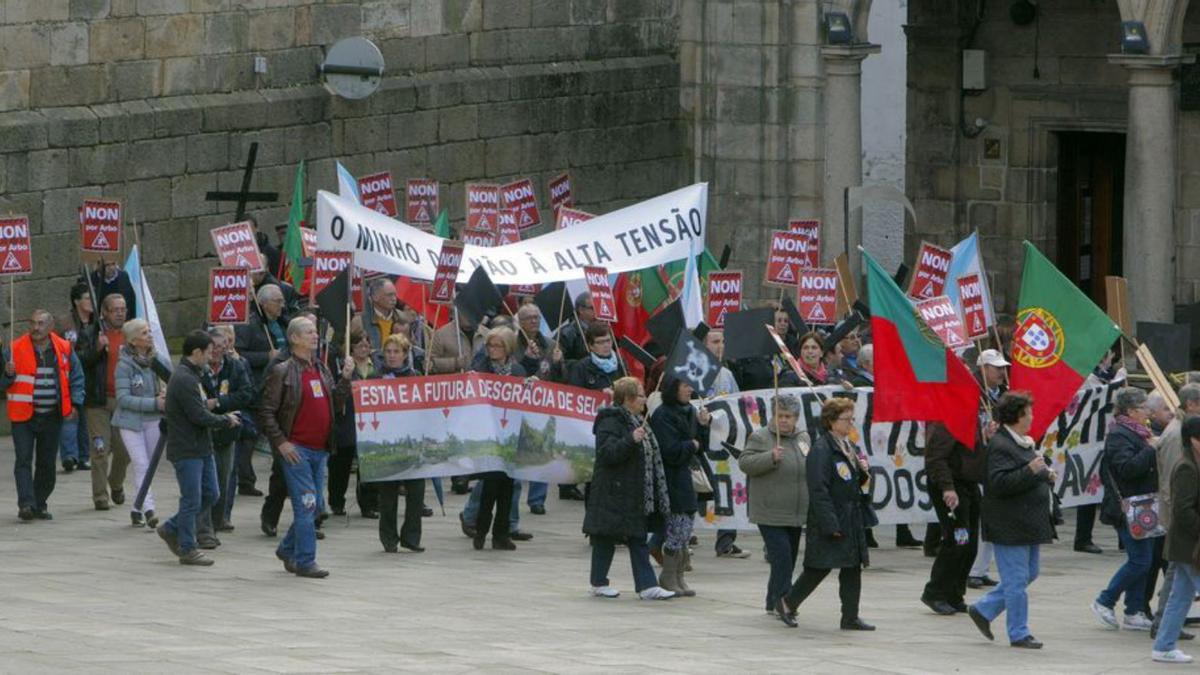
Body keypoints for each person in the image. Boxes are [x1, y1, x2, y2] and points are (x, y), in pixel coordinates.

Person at [257, 317, 349, 578]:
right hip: (297, 450)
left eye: (315, 332)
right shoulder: (283, 370)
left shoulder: (320, 368)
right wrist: (281, 442)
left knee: (316, 505)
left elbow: (335, 401)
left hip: (320, 450)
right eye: (309, 332)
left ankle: (287, 548)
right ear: (294, 338)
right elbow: (266, 411)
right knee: (307, 504)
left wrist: (345, 379)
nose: (314, 336)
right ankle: (306, 560)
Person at [774, 397, 876, 631]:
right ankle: (787, 602)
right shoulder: (822, 449)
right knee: (818, 567)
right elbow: (819, 489)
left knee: (852, 568)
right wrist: (830, 523)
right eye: (846, 419)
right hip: (830, 518)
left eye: (852, 418)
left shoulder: (847, 445)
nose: (851, 423)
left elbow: (851, 481)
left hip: (851, 517)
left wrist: (863, 472)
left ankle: (850, 616)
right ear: (831, 421)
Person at [967, 391, 1055, 649]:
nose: (1032, 417)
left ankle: (984, 609)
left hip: (1028, 522)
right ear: (1018, 416)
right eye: (1029, 413)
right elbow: (999, 483)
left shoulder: (1022, 442)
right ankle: (1019, 632)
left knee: (1029, 573)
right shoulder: (1001, 445)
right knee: (1017, 581)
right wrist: (1031, 470)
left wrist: (1043, 474)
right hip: (1009, 524)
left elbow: (1025, 474)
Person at [585, 376, 675, 600]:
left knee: (636, 537)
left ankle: (646, 586)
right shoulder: (610, 420)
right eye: (641, 395)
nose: (645, 399)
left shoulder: (637, 419)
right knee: (606, 537)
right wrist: (630, 440)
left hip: (633, 491)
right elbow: (607, 453)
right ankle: (600, 582)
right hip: (613, 491)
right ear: (628, 399)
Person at [156, 331, 241, 566]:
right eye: (208, 352)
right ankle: (187, 547)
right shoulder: (184, 378)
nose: (211, 356)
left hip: (201, 447)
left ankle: (173, 527)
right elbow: (198, 414)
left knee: (211, 494)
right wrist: (225, 420)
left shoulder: (194, 375)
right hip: (186, 449)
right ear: (196, 353)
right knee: (191, 498)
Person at [2, 310, 84, 521]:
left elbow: (76, 376)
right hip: (23, 416)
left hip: (52, 415)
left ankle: (40, 502)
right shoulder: (14, 348)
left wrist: (75, 403)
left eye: (40, 324)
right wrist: (8, 374)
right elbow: (1, 384)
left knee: (47, 463)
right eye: (33, 323)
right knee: (23, 460)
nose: (35, 328)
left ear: (50, 326)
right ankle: (26, 504)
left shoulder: (63, 348)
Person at [1091, 386, 1161, 632]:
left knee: (1146, 558)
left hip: (1146, 506)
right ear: (1130, 411)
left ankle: (1134, 611)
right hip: (1128, 507)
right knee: (1140, 561)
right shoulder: (1120, 434)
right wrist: (1151, 449)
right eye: (1143, 408)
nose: (1148, 412)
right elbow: (1127, 469)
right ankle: (1105, 600)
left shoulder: (1140, 431)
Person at [739, 393, 809, 614]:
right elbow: (745, 462)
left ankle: (772, 600)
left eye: (789, 416)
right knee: (783, 560)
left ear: (796, 418)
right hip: (769, 511)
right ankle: (784, 602)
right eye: (780, 416)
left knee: (787, 558)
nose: (784, 420)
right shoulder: (760, 437)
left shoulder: (803, 438)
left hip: (795, 512)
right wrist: (770, 457)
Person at [650, 374, 711, 597]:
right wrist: (691, 445)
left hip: (685, 477)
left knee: (685, 526)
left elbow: (701, 445)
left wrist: (703, 427)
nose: (689, 390)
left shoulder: (690, 412)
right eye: (685, 386)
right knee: (676, 525)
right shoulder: (663, 415)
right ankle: (669, 575)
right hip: (670, 478)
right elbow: (670, 450)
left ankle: (679, 576)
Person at [920, 417, 988, 615]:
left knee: (970, 543)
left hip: (969, 485)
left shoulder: (972, 419)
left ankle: (954, 593)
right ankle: (935, 592)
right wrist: (947, 487)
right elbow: (935, 458)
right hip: (952, 487)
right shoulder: (947, 421)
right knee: (958, 540)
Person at [466, 326, 525, 551]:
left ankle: (501, 534)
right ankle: (480, 531)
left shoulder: (517, 371)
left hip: (510, 436)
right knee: (490, 486)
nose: (492, 349)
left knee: (507, 488)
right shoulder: (481, 368)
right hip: (489, 435)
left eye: (497, 345)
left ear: (508, 348)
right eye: (490, 345)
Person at [195, 327, 255, 544]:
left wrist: (219, 403)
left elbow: (246, 393)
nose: (219, 351)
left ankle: (216, 521)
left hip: (228, 432)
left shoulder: (235, 366)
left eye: (223, 346)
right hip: (203, 433)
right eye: (214, 347)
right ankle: (203, 530)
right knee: (206, 483)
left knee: (223, 480)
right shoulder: (198, 370)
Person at [111, 318, 171, 529]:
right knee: (141, 464)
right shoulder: (124, 365)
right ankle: (149, 509)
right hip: (130, 422)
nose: (150, 336)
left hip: (153, 419)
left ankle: (136, 507)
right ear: (134, 341)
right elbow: (123, 399)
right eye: (145, 333)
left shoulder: (157, 360)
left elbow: (173, 380)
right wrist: (154, 402)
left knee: (149, 467)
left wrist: (165, 392)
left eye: (149, 332)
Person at [1151, 384, 1200, 639]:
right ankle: (1163, 631)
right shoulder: (1178, 442)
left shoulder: (1185, 435)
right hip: (1183, 529)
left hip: (1185, 530)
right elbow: (1175, 491)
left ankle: (1164, 638)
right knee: (1177, 581)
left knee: (1179, 587)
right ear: (1191, 404)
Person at [76, 293, 131, 511]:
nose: (120, 313)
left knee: (124, 450)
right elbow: (79, 361)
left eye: (123, 309)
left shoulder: (131, 334)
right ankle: (100, 496)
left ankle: (115, 483)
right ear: (105, 312)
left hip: (123, 400)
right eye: (115, 309)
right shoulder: (90, 334)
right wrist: (96, 349)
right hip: (97, 401)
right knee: (99, 449)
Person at [373, 334, 427, 553]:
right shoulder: (376, 377)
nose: (392, 356)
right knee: (388, 495)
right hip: (386, 443)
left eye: (396, 352)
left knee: (416, 494)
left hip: (412, 443)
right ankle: (388, 538)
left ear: (405, 355)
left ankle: (411, 537)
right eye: (388, 352)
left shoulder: (416, 377)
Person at [703, 328, 746, 559]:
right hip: (702, 442)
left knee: (728, 487)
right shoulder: (695, 372)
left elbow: (737, 404)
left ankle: (726, 540)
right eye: (715, 342)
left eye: (722, 341)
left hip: (723, 443)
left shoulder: (727, 375)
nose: (720, 346)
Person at [969, 349, 1010, 587]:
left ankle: (981, 568)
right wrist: (982, 434)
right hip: (979, 462)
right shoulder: (973, 392)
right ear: (983, 369)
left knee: (993, 518)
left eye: (1003, 368)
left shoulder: (1002, 394)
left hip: (997, 461)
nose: (1002, 373)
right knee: (980, 519)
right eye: (997, 368)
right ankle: (972, 569)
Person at [329, 331, 380, 519]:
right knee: (341, 464)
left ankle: (368, 503)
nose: (364, 349)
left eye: (367, 346)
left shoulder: (376, 366)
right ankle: (336, 500)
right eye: (360, 346)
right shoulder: (343, 366)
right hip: (348, 419)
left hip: (370, 421)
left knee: (368, 464)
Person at [58, 282, 94, 472]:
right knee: (70, 414)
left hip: (92, 373)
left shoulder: (97, 322)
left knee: (86, 417)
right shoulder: (65, 323)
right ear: (77, 301)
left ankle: (84, 456)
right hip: (70, 374)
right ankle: (69, 456)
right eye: (88, 298)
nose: (91, 301)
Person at [235, 283, 288, 386]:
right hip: (261, 381)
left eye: (283, 301)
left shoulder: (284, 322)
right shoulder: (248, 325)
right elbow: (238, 355)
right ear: (264, 303)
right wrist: (266, 356)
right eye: (277, 301)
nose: (282, 305)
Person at [429, 308, 483, 375]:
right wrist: (455, 363)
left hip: (480, 382)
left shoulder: (487, 334)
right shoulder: (441, 335)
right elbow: (429, 365)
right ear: (456, 313)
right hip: (453, 383)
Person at [361, 277, 405, 350]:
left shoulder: (402, 318)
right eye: (389, 295)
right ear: (375, 297)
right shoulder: (363, 320)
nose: (394, 298)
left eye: (395, 294)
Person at [557, 292, 596, 361]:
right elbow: (563, 362)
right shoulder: (567, 333)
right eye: (592, 308)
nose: (596, 311)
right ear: (581, 310)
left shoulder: (603, 328)